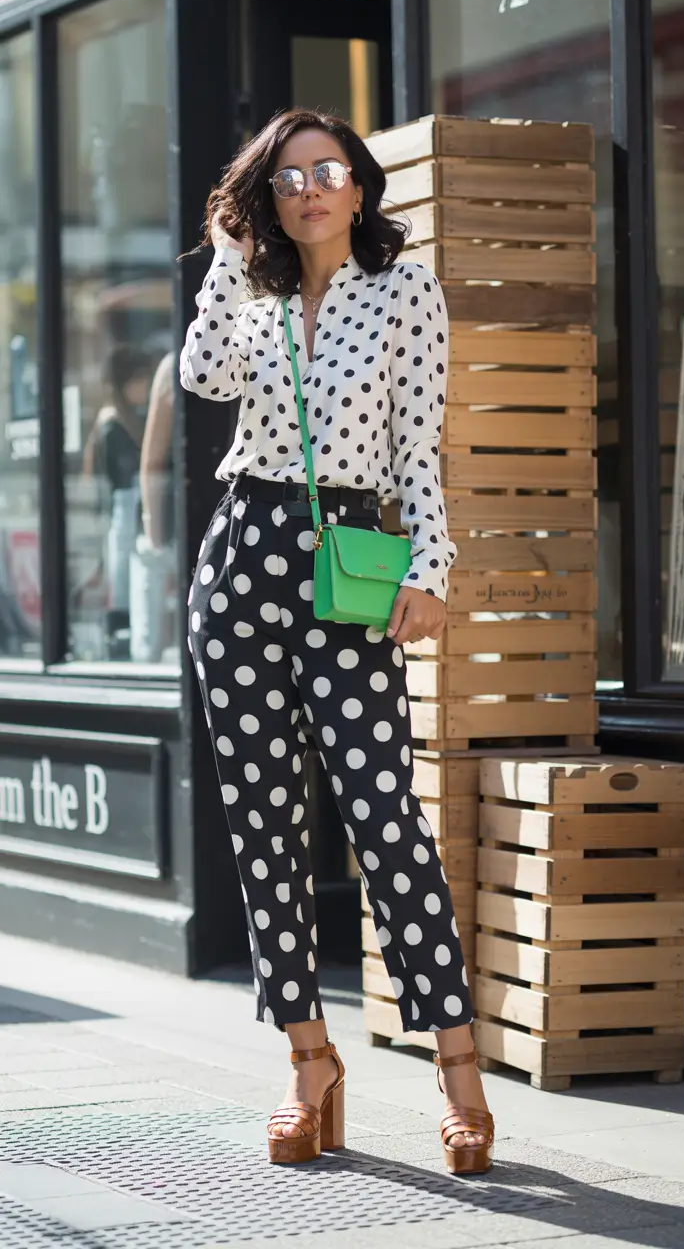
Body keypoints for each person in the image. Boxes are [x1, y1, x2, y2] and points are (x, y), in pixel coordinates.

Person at [179, 108, 494, 1174]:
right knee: (262, 824)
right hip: (241, 560)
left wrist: (431, 569)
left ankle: (457, 1067)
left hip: (346, 568)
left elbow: (420, 444)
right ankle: (306, 1059)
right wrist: (225, 264)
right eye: (287, 178)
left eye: (327, 171)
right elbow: (200, 382)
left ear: (359, 187)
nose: (310, 189)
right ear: (268, 199)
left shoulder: (406, 288)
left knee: (381, 814)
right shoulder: (253, 291)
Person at [83, 345, 152, 655]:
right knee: (124, 587)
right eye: (141, 380)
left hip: (124, 518)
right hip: (123, 519)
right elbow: (124, 480)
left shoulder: (123, 418)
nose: (146, 387)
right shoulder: (113, 425)